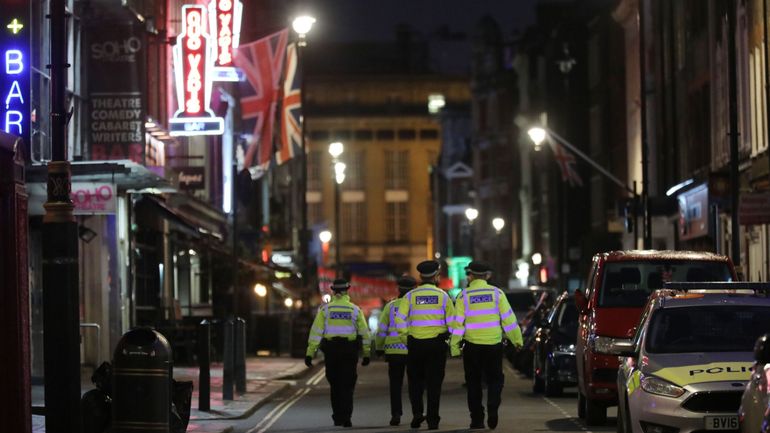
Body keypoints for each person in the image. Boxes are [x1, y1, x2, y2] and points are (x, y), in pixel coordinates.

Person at [450, 261, 523, 430]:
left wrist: (454, 347)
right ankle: (492, 407)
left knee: (473, 383)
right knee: (496, 379)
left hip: (472, 346)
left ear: (471, 275)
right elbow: (509, 320)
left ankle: (477, 419)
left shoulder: (463, 295)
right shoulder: (497, 294)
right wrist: (517, 341)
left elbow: (457, 324)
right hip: (493, 345)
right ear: (486, 276)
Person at [395, 260, 455, 430]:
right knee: (434, 384)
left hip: (415, 344)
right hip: (436, 345)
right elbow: (452, 322)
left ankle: (417, 414)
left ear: (420, 276)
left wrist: (405, 337)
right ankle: (433, 419)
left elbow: (400, 318)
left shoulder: (410, 296)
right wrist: (451, 340)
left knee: (415, 382)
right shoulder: (443, 296)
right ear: (436, 276)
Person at [305, 279, 371, 428]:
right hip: (349, 350)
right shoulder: (355, 310)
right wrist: (366, 353)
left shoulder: (326, 310)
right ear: (347, 291)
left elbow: (316, 332)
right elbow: (365, 334)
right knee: (348, 384)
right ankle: (347, 417)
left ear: (333, 291)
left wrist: (310, 353)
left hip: (332, 350)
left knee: (335, 385)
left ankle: (337, 417)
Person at [375, 275, 417, 426]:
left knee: (395, 385)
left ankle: (396, 414)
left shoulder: (390, 306)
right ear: (414, 289)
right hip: (413, 349)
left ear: (398, 289)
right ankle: (416, 413)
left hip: (393, 351)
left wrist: (379, 347)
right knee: (415, 384)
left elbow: (381, 330)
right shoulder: (416, 305)